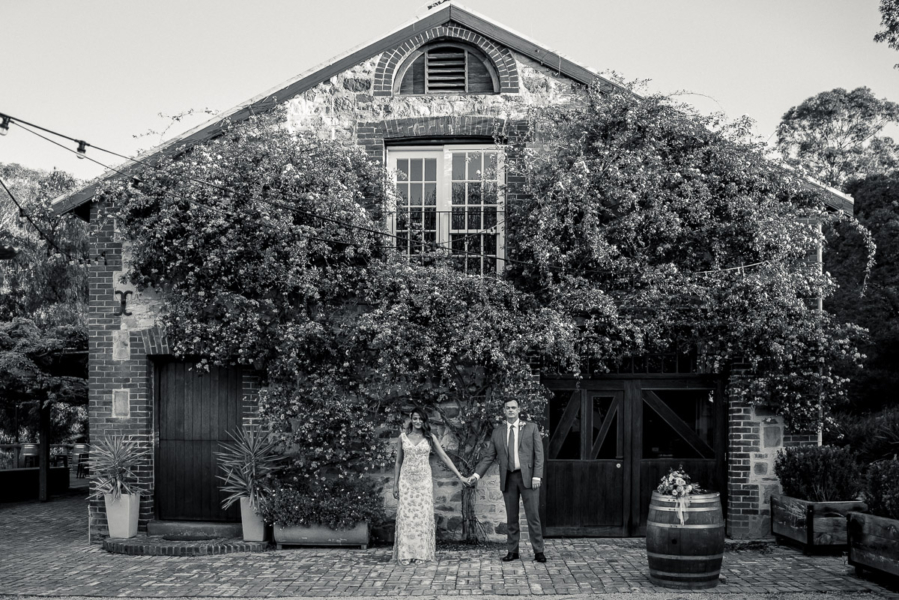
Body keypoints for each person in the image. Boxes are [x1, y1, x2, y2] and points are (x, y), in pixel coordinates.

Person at [468, 399, 546, 563]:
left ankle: (538, 551)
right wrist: (476, 475)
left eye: (513, 408)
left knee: (533, 516)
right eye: (508, 408)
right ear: (504, 411)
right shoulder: (498, 432)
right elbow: (489, 457)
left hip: (529, 478)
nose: (511, 410)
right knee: (511, 517)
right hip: (509, 478)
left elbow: (539, 454)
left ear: (519, 409)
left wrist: (537, 476)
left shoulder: (531, 428)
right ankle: (513, 551)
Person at [392, 408, 468, 565]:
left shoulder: (430, 438)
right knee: (406, 517)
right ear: (410, 420)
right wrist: (395, 484)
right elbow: (398, 462)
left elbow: (445, 457)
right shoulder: (402, 437)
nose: (418, 421)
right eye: (415, 418)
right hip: (406, 482)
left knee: (422, 516)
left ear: (424, 421)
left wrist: (459, 476)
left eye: (420, 419)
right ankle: (406, 553)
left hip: (423, 482)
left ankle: (421, 553)